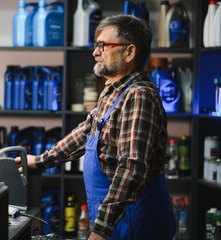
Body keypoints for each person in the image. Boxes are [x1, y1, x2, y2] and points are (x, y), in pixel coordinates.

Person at [16, 14, 176, 240]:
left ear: (129, 52)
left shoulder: (139, 96)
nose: (95, 52)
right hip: (119, 221)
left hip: (135, 222)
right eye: (96, 45)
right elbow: (85, 132)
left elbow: (131, 170)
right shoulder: (113, 90)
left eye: (103, 45)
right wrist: (42, 161)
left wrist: (100, 230)